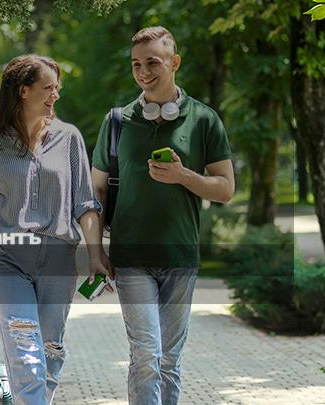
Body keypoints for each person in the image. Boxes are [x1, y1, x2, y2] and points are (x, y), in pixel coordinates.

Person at [91, 27, 235, 405]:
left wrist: (184, 176)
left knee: (169, 360)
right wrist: (94, 250)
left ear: (174, 62)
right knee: (146, 355)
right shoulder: (117, 122)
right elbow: (97, 191)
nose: (143, 72)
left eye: (152, 63)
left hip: (181, 256)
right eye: (136, 64)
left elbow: (225, 189)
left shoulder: (204, 120)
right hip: (131, 257)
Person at [0, 54, 109, 405]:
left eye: (57, 88)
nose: (55, 95)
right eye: (48, 88)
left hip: (58, 262)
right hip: (7, 261)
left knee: (49, 352)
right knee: (26, 354)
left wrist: (95, 255)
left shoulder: (69, 139)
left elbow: (85, 204)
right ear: (23, 91)